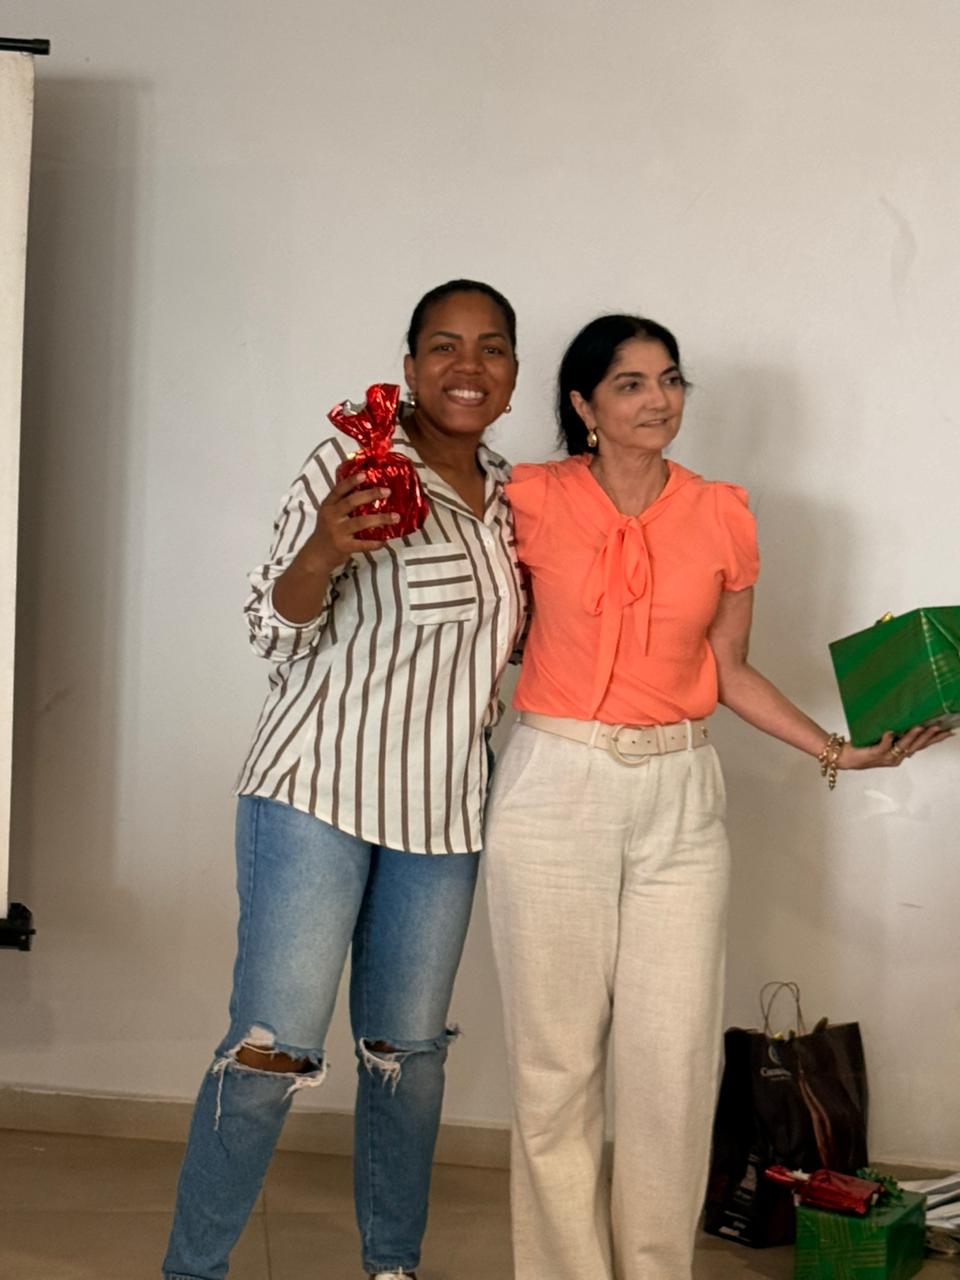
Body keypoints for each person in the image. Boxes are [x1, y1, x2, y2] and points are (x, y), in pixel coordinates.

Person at [482, 313, 951, 1280]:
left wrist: (840, 750)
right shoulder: (524, 496)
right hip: (555, 782)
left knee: (674, 1064)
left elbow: (729, 668)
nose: (659, 400)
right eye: (631, 383)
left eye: (671, 379)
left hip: (680, 792)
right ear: (583, 406)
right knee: (556, 1067)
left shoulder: (721, 512)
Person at [162, 279, 525, 1280]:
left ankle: (392, 1265)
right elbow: (270, 628)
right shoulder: (350, 462)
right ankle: (192, 1271)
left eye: (491, 347)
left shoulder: (515, 497)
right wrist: (325, 548)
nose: (467, 366)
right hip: (317, 791)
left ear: (513, 374)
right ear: (408, 365)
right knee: (271, 1049)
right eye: (444, 345)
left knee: (409, 1057)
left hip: (442, 817)